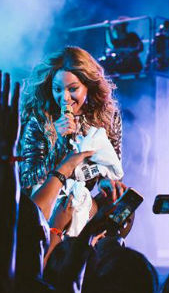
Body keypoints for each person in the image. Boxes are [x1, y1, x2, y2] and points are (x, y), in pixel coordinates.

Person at [19, 46, 126, 231]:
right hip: (43, 206)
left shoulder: (108, 118)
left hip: (82, 201)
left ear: (88, 85)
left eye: (73, 89)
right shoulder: (39, 119)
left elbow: (111, 165)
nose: (64, 98)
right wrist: (59, 143)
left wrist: (106, 181)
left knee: (123, 214)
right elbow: (27, 180)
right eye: (57, 89)